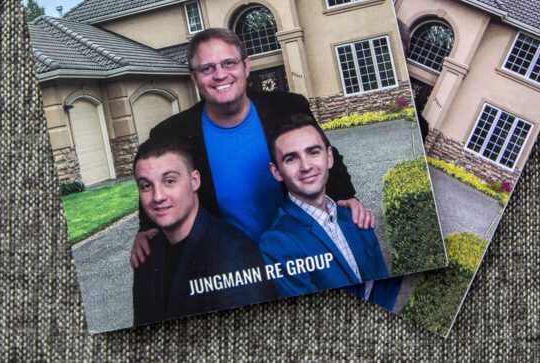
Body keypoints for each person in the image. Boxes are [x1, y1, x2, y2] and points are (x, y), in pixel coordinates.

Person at [130, 28, 372, 268]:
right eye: (207, 68)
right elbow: (154, 179)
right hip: (228, 267)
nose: (220, 75)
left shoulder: (288, 107)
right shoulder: (171, 132)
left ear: (246, 66)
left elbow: (327, 155)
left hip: (302, 255)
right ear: (194, 78)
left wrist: (345, 197)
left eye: (228, 63)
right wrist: (147, 229)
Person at [131, 140, 276, 324]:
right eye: (146, 186)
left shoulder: (235, 256)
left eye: (169, 181)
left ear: (194, 181)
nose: (158, 196)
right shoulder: (146, 254)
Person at [258, 113, 393, 301]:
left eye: (313, 152)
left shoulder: (356, 218)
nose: (306, 166)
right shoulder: (276, 243)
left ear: (329, 157)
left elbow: (385, 288)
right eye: (291, 159)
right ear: (276, 172)